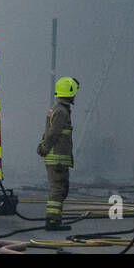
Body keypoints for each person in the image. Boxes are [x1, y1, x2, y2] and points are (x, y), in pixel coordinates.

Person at [37, 77, 78, 231]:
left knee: (61, 188)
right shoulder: (61, 111)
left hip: (57, 157)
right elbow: (53, 133)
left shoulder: (56, 109)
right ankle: (53, 221)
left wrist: (43, 146)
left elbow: (49, 132)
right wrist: (45, 147)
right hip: (57, 158)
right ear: (70, 93)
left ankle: (54, 218)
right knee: (58, 189)